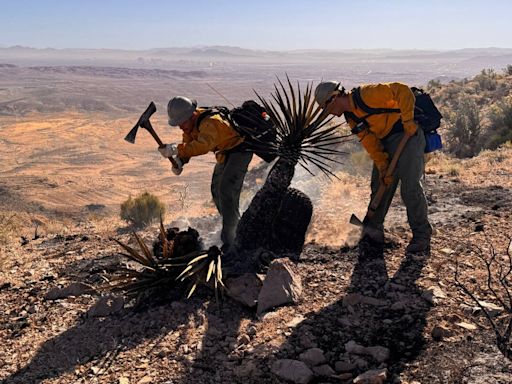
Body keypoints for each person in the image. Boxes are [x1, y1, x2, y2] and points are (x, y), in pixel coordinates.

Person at [314, 81, 432, 254]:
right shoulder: (351, 117)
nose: (330, 113)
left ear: (334, 98)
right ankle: (373, 232)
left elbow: (403, 91)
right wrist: (383, 165)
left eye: (327, 108)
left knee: (410, 187)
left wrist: (408, 120)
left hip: (408, 135)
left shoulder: (367, 94)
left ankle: (422, 236)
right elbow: (370, 142)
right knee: (379, 186)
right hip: (386, 143)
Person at [158, 96, 253, 249]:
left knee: (226, 191)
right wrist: (180, 161)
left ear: (192, 115)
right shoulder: (191, 125)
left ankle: (231, 241)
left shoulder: (211, 122)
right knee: (216, 190)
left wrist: (175, 149)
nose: (180, 127)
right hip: (225, 152)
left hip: (240, 150)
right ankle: (234, 227)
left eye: (181, 122)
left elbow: (202, 146)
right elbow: (188, 144)